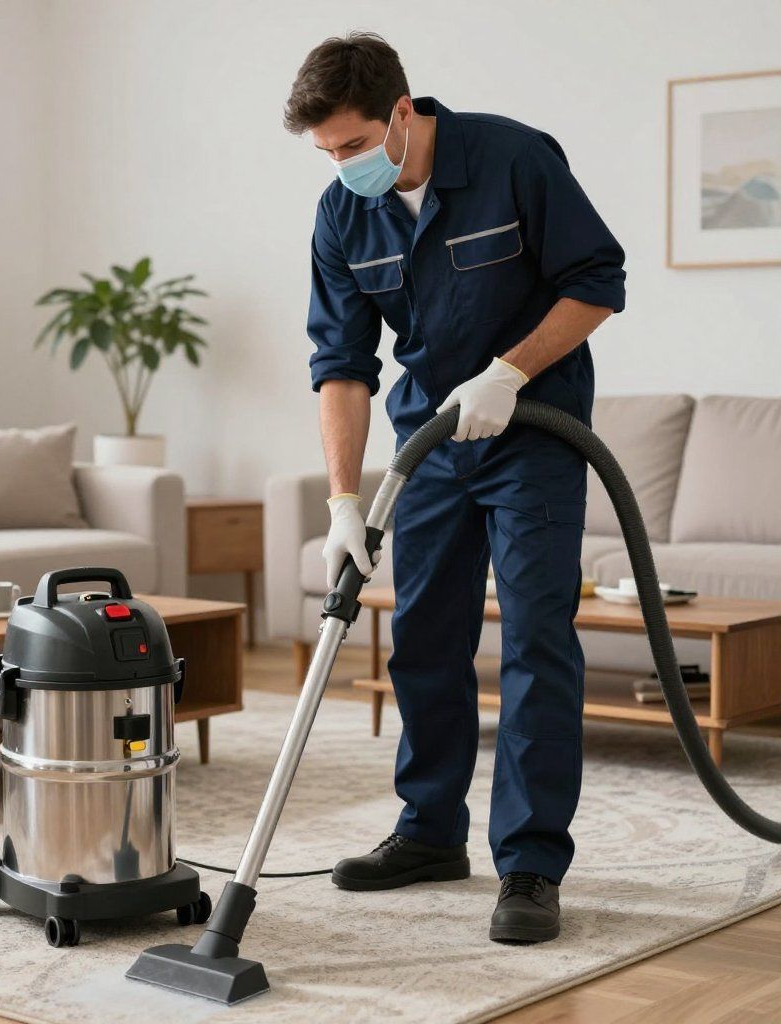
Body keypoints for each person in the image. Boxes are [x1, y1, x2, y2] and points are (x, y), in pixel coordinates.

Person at [285, 31, 625, 943]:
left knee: (535, 641)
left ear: (402, 111)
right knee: (425, 638)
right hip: (430, 443)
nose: (343, 166)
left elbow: (599, 281)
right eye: (327, 153)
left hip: (535, 433)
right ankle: (430, 832)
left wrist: (510, 371)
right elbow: (341, 365)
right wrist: (343, 502)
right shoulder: (342, 214)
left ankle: (530, 864)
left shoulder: (513, 159)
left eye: (355, 144)